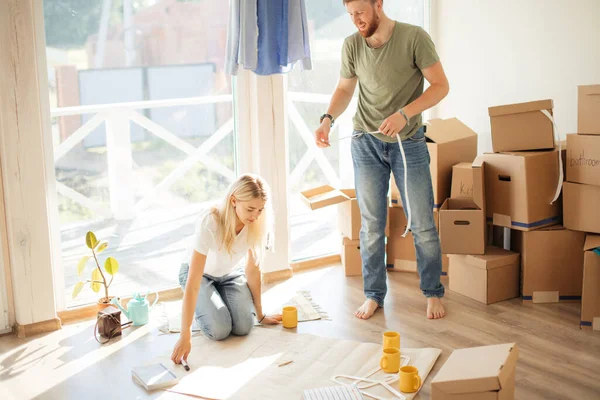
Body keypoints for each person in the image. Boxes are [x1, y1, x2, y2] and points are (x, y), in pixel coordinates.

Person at [314, 0, 450, 320]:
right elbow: (345, 88)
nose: (356, 20)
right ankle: (374, 294)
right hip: (365, 142)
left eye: (360, 12)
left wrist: (405, 114)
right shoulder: (352, 45)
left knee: (422, 223)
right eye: (350, 15)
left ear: (378, 5)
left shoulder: (414, 37)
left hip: (409, 143)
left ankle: (432, 292)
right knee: (372, 226)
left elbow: (441, 86)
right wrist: (327, 118)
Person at [171, 174, 282, 365]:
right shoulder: (210, 221)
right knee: (220, 330)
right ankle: (202, 309)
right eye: (250, 209)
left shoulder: (255, 224)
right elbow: (194, 282)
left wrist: (261, 314)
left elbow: (253, 271)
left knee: (244, 326)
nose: (255, 216)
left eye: (260, 210)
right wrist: (185, 334)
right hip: (199, 275)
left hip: (229, 274)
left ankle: (215, 299)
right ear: (233, 201)